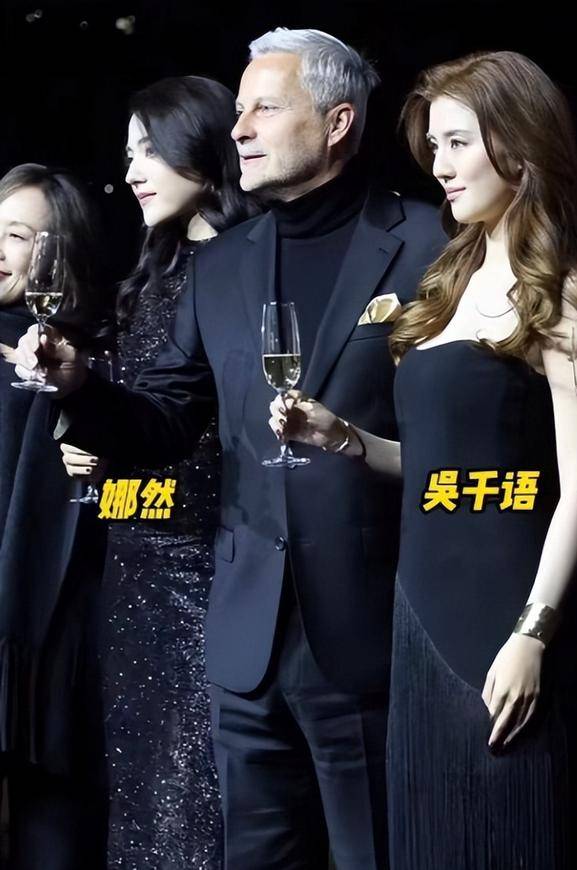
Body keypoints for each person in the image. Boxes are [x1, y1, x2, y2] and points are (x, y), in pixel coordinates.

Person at [14, 28, 443, 870]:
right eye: (238, 110)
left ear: (338, 123)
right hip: (244, 641)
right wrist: (79, 388)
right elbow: (166, 421)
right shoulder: (224, 265)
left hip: (374, 633)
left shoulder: (429, 242)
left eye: (264, 109)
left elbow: (460, 429)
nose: (239, 128)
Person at [270, 50, 577, 869]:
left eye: (458, 144)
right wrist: (344, 439)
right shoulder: (450, 278)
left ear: (518, 146)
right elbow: (439, 464)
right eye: (434, 146)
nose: (439, 166)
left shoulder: (561, 291)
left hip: (509, 620)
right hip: (417, 617)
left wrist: (533, 633)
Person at [59, 75, 257, 868]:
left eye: (150, 150)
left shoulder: (247, 271)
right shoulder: (148, 280)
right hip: (130, 567)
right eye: (128, 154)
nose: (133, 170)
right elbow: (144, 415)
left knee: (198, 799)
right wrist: (90, 430)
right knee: (143, 796)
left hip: (208, 567)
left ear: (202, 150)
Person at [0, 163, 110, 870]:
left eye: (16, 236)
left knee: (55, 831)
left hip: (58, 638)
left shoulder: (85, 362)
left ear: (56, 257)